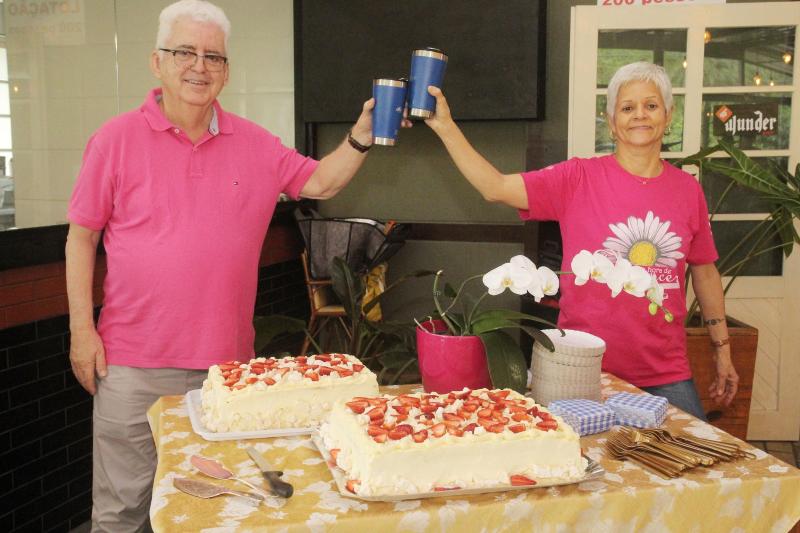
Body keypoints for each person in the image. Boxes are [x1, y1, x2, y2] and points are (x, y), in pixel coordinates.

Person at [64, 1, 392, 530]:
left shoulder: (255, 143)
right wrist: (82, 330)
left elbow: (322, 182)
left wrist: (361, 134)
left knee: (214, 507)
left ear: (227, 70)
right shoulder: (114, 140)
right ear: (157, 62)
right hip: (131, 362)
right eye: (184, 52)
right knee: (121, 512)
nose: (199, 66)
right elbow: (81, 238)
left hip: (226, 370)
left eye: (213, 57)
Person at [424, 61, 738, 420]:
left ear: (668, 115)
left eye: (651, 106)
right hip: (582, 369)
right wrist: (445, 127)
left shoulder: (687, 190)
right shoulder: (577, 178)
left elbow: (706, 272)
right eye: (627, 107)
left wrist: (722, 349)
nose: (640, 115)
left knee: (689, 468)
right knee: (584, 471)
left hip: (665, 374)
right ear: (611, 120)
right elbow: (495, 187)